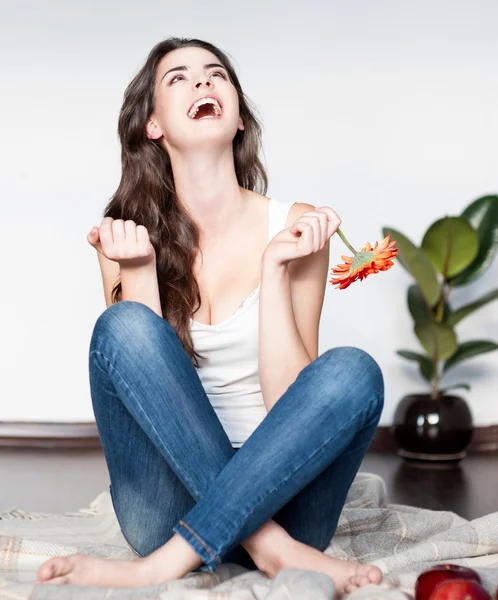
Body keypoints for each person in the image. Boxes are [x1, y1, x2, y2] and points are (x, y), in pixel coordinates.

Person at [35, 37, 385, 594]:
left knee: (353, 370)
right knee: (122, 327)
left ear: (239, 116)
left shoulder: (296, 228)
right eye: (178, 78)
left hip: (288, 495)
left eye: (216, 73)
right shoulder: (123, 235)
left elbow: (290, 400)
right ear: (153, 126)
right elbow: (148, 398)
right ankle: (269, 550)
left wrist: (274, 268)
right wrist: (141, 270)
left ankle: (168, 566)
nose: (203, 82)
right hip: (167, 506)